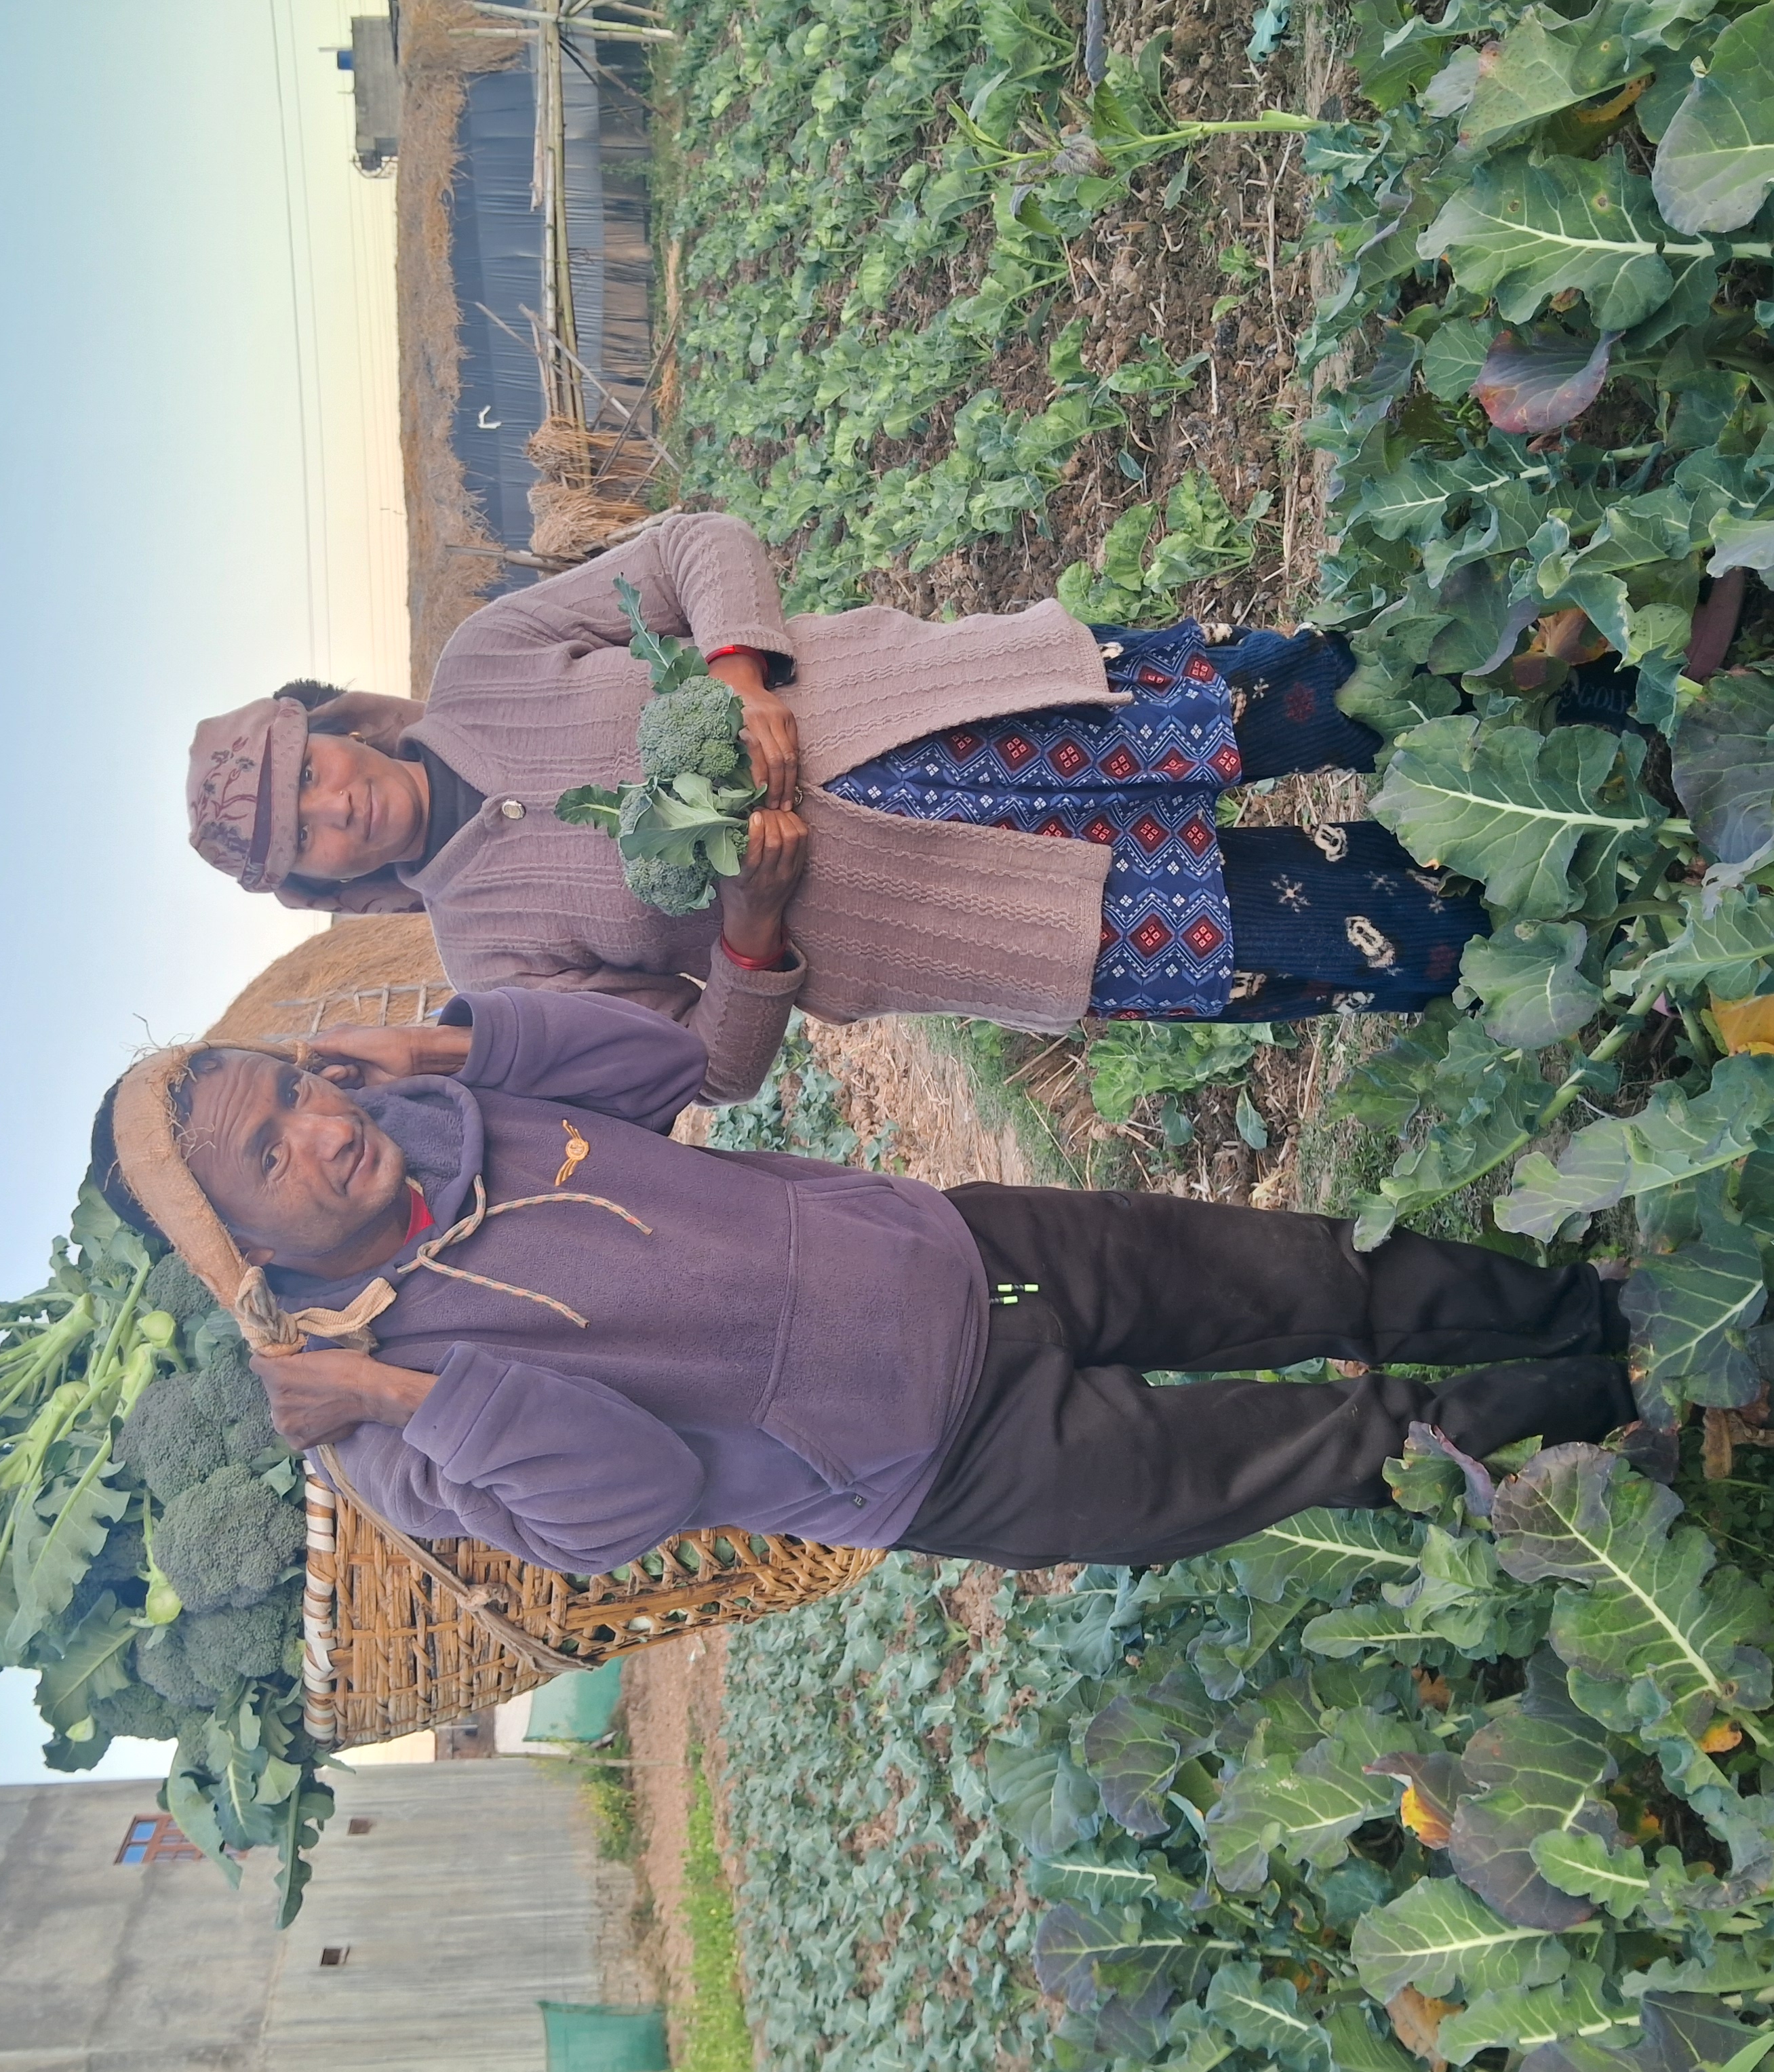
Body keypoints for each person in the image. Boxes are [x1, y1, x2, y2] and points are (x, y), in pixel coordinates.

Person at [91, 987, 1635, 1572]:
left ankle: (1604, 1315)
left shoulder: (456, 1116)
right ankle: (1618, 1393)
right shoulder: (378, 1440)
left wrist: (452, 1044)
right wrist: (401, 1390)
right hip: (949, 1464)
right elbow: (623, 1500)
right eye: (263, 1153)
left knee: (1308, 1275)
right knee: (1336, 1457)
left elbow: (667, 1063)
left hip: (973, 1252)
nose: (318, 1128)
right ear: (236, 1246)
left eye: (290, 1088)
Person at [181, 513, 1486, 1104]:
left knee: (1301, 696)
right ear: (315, 883)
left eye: (309, 772)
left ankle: (1561, 685)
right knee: (1320, 935)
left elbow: (699, 544)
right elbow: (705, 1069)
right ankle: (1571, 888)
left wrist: (745, 685)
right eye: (304, 835)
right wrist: (754, 920)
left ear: (329, 728)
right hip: (956, 919)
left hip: (972, 710)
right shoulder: (487, 952)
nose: (332, 807)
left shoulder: (486, 661)